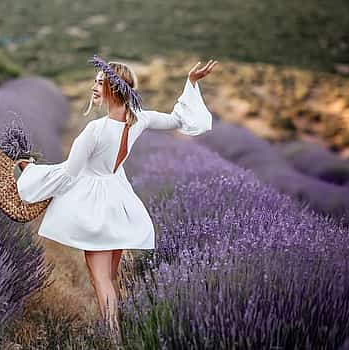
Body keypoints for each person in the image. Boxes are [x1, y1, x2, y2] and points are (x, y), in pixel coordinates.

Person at [16, 55, 217, 340]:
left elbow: (69, 174)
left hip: (98, 208)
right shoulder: (140, 119)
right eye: (95, 82)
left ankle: (113, 338)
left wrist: (31, 172)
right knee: (109, 277)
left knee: (100, 279)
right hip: (119, 201)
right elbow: (177, 119)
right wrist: (191, 83)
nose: (94, 88)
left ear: (114, 88)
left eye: (100, 83)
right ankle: (116, 331)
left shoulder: (95, 130)